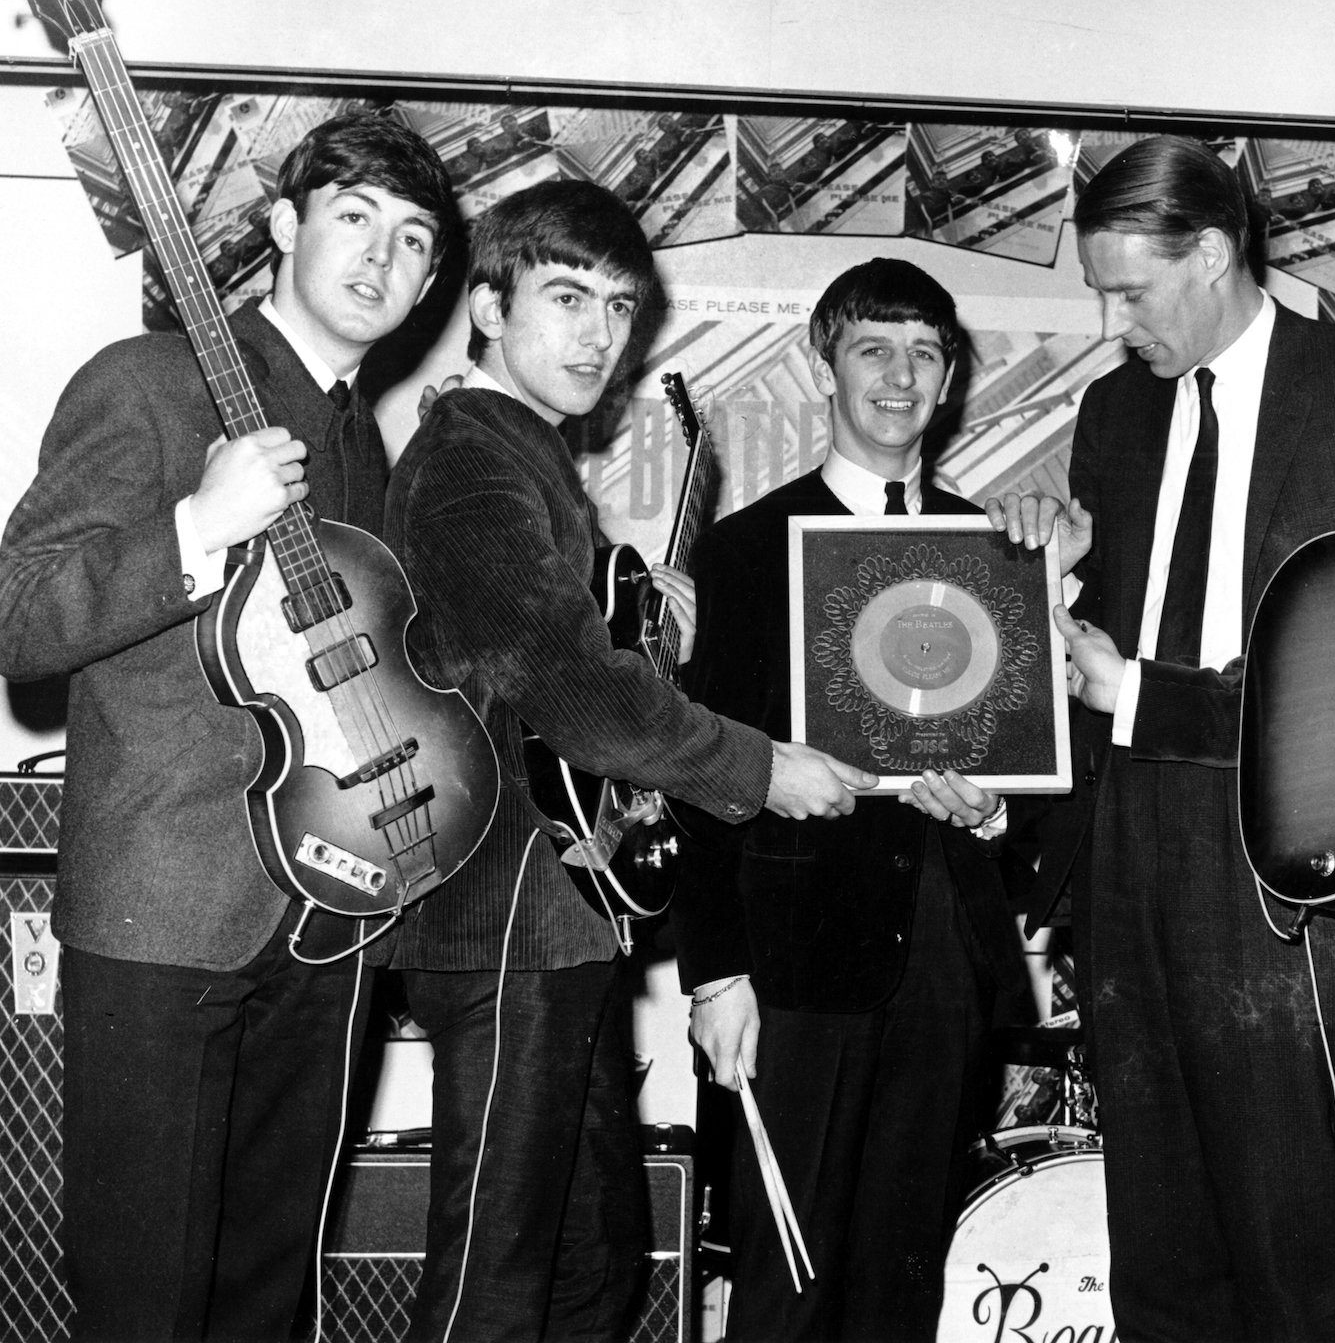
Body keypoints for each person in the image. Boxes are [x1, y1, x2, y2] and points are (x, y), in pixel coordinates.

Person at [380, 177, 872, 1342]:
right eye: (566, 298)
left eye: (618, 305)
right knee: (496, 1275)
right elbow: (567, 691)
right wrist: (761, 768)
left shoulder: (527, 457)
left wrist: (644, 613)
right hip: (500, 918)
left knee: (590, 1250)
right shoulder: (471, 463)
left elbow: (554, 656)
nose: (599, 335)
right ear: (489, 308)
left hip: (554, 918)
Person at [0, 111, 459, 1341]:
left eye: (414, 241)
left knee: (269, 1294)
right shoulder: (147, 383)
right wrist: (198, 527)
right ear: (281, 227)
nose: (381, 258)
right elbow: (20, 618)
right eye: (354, 217)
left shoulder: (366, 439)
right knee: (143, 1304)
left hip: (327, 915)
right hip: (167, 914)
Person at [989, 135, 1335, 1340]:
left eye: (1131, 292)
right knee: (1158, 1233)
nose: (1113, 322)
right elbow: (1097, 641)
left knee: (1293, 1243)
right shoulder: (1114, 411)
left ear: (1213, 250)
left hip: (1278, 848)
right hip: (1124, 844)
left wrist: (1140, 692)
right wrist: (1049, 580)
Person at [671, 257, 1033, 1342]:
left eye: (926, 352)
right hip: (789, 965)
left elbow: (1034, 773)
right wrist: (714, 974)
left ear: (952, 375)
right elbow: (698, 784)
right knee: (786, 1288)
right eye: (873, 349)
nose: (900, 376)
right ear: (819, 366)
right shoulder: (741, 553)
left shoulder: (996, 554)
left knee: (899, 1281)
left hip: (941, 962)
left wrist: (997, 813)